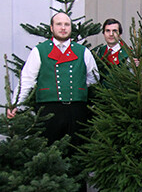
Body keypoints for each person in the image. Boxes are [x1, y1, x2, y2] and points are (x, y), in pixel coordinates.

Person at [7, 12, 99, 147]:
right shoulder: (39, 51)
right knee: (48, 150)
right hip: (48, 111)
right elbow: (26, 80)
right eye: (59, 24)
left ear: (71, 28)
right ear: (51, 28)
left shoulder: (83, 52)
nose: (63, 27)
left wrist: (77, 88)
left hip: (77, 111)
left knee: (77, 151)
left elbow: (93, 78)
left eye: (67, 24)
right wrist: (16, 104)